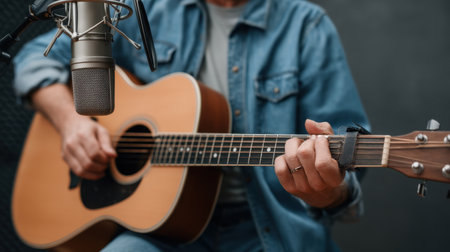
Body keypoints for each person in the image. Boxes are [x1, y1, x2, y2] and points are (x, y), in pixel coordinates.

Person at [13, 0, 369, 251]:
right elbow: (34, 57)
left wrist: (327, 190)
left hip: (269, 231)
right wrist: (71, 122)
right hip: (158, 234)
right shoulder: (141, 9)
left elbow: (342, 158)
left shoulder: (307, 27)